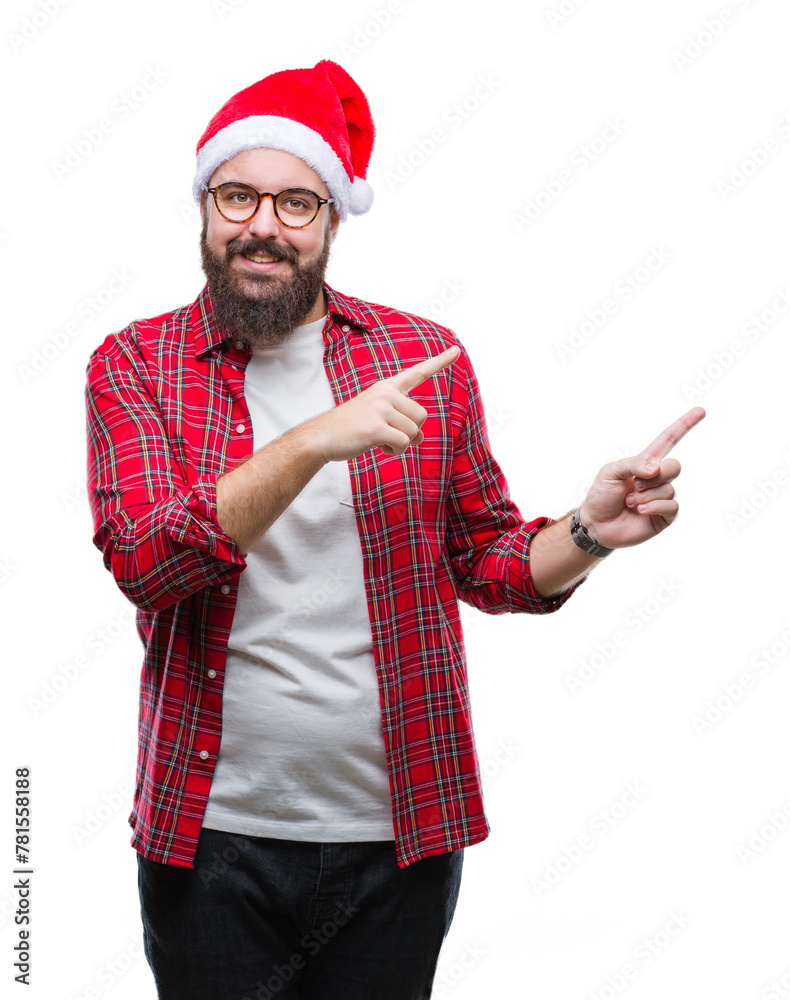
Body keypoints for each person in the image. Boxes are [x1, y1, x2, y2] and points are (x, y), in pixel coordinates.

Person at [84, 59, 705, 1000]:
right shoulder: (135, 362)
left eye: (297, 204)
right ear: (206, 209)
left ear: (333, 219)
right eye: (238, 196)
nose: (263, 224)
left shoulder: (422, 360)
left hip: (399, 836)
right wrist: (309, 443)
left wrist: (588, 531)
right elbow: (145, 563)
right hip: (208, 840)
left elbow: (488, 563)